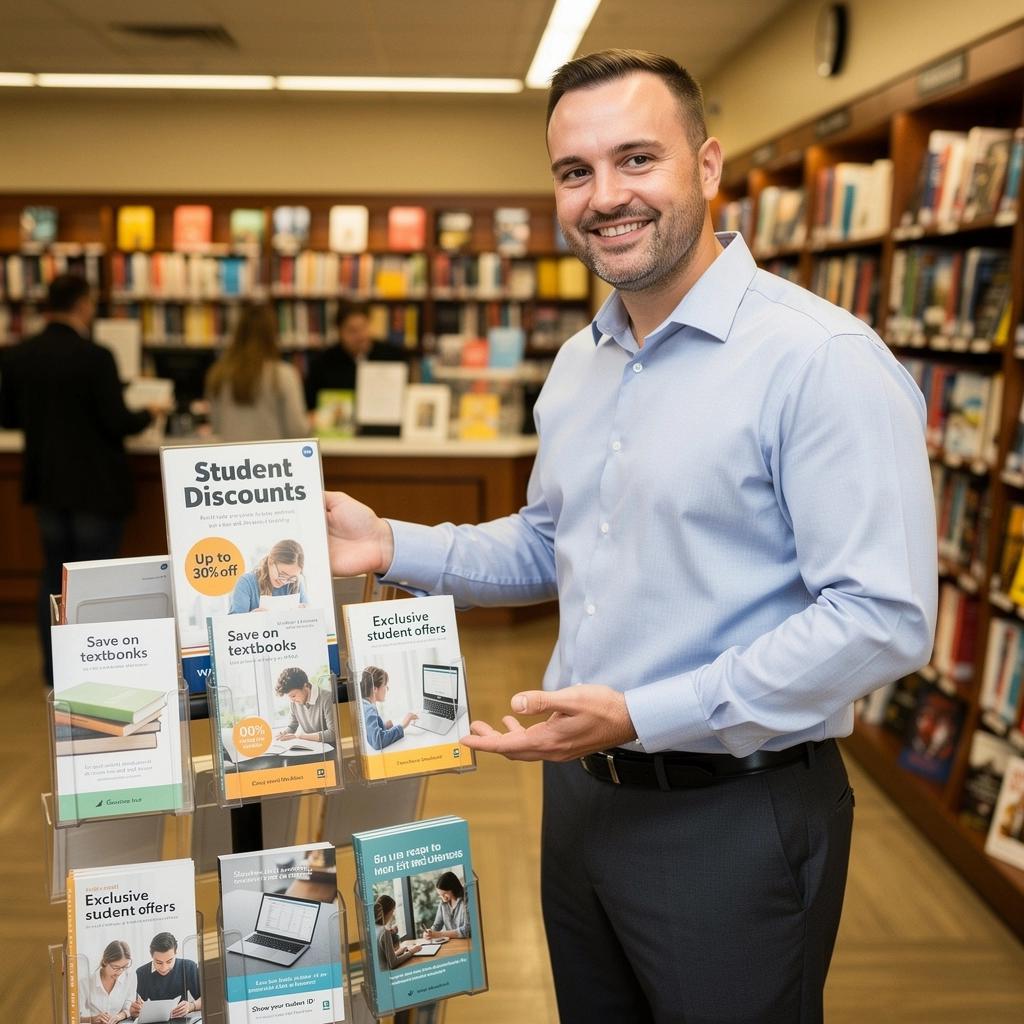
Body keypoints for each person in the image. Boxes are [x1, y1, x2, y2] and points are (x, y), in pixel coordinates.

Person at [322, 49, 936, 1024]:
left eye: (636, 159)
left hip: (733, 809)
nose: (604, 195)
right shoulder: (580, 361)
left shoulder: (819, 362)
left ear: (705, 165)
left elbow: (882, 619)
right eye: (574, 171)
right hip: (577, 794)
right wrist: (389, 543)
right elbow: (550, 543)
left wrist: (646, 711)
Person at [0, 273, 164, 684]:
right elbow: (116, 421)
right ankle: (92, 668)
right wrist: (151, 412)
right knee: (95, 579)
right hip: (95, 488)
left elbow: (8, 417)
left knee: (53, 576)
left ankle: (54, 670)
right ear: (83, 304)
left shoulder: (20, 355)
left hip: (47, 486)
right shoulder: (96, 356)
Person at [205, 303, 308, 441]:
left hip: (231, 459)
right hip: (272, 460)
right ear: (272, 334)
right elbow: (296, 430)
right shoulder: (283, 374)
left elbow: (216, 425)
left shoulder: (218, 373)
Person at [304, 299, 396, 411]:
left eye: (364, 327)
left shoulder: (392, 356)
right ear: (339, 332)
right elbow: (311, 406)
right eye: (352, 330)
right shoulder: (322, 363)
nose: (360, 336)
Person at [130, 932, 201, 1019]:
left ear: (175, 953)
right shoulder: (141, 973)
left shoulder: (188, 967)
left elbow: (207, 999)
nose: (164, 968)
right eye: (159, 962)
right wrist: (134, 1011)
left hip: (181, 1020)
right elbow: (136, 1007)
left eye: (169, 961)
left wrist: (192, 1006)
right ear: (151, 955)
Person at [228, 538, 308, 613]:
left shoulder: (296, 583)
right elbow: (233, 625)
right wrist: (251, 618)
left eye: (291, 578)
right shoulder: (246, 583)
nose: (284, 581)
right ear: (270, 562)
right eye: (282, 574)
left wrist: (305, 615)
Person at [274, 665, 337, 746]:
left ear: (306, 686)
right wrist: (284, 733)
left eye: (293, 696)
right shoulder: (294, 702)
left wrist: (300, 736)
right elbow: (292, 726)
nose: (292, 700)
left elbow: (333, 733)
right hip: (312, 748)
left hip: (330, 750)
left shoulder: (327, 698)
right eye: (289, 697)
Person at [77, 940, 135, 1024]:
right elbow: (75, 1017)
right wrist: (92, 1019)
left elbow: (129, 1006)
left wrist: (118, 1017)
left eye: (125, 966)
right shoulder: (85, 983)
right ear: (105, 961)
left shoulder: (130, 976)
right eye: (116, 967)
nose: (120, 972)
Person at [359, 666, 417, 750]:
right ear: (375, 689)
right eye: (385, 685)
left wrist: (384, 726)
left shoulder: (364, 704)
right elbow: (378, 741)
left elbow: (370, 731)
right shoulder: (369, 709)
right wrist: (402, 725)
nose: (387, 689)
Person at [374, 894, 421, 970]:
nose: (392, 915)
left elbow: (383, 959)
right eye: (392, 911)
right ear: (388, 912)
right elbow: (393, 963)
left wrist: (398, 952)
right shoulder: (384, 932)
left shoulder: (374, 928)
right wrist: (411, 952)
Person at [422, 871, 469, 940]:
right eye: (440, 895)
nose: (443, 898)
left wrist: (438, 934)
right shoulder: (443, 904)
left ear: (453, 888)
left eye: (444, 894)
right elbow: (436, 926)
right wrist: (428, 933)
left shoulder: (467, 900)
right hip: (451, 943)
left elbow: (466, 930)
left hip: (467, 942)